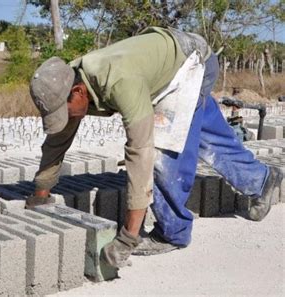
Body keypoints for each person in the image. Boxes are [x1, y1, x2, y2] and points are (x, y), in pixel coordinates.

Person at [27, 26, 283, 268]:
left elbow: (140, 153)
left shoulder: (119, 82)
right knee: (203, 134)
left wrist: (128, 236)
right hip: (171, 60)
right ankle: (262, 180)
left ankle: (173, 232)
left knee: (164, 152)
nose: (66, 117)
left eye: (65, 111)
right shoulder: (68, 80)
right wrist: (41, 191)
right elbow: (58, 138)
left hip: (191, 64)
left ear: (79, 92)